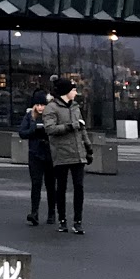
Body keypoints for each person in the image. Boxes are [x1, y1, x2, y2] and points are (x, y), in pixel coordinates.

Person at [41, 75, 90, 234]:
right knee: (61, 188)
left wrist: (88, 148)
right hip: (61, 153)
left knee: (79, 187)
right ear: (66, 91)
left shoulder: (75, 106)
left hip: (78, 152)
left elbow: (82, 129)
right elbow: (50, 129)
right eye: (73, 90)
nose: (76, 92)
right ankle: (62, 220)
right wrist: (70, 126)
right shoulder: (51, 108)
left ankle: (78, 221)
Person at [19, 92, 57, 226]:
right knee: (36, 184)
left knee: (51, 185)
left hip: (50, 154)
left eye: (43, 105)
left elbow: (57, 132)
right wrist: (33, 130)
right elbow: (22, 132)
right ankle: (34, 212)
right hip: (35, 154)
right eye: (38, 105)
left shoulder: (51, 116)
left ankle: (52, 213)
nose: (40, 108)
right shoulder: (30, 116)